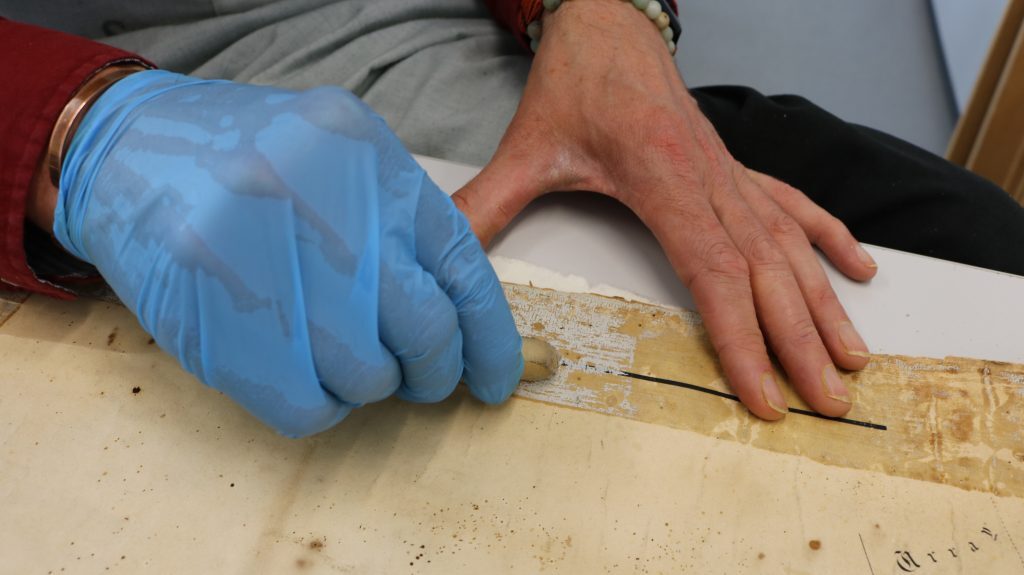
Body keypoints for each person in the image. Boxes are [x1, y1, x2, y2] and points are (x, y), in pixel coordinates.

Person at [2, 0, 1022, 437]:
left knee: (968, 244)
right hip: (49, 173)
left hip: (431, 49)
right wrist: (65, 135)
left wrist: (603, 16)